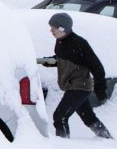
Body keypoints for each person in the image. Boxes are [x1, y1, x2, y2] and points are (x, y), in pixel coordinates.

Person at [46, 12, 112, 140]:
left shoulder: (79, 43)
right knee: (88, 117)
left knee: (60, 117)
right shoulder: (60, 42)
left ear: (62, 28)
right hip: (72, 86)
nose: (51, 30)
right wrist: (45, 61)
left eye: (53, 28)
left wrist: (101, 91)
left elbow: (97, 67)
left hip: (79, 87)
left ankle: (64, 145)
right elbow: (63, 59)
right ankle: (107, 140)